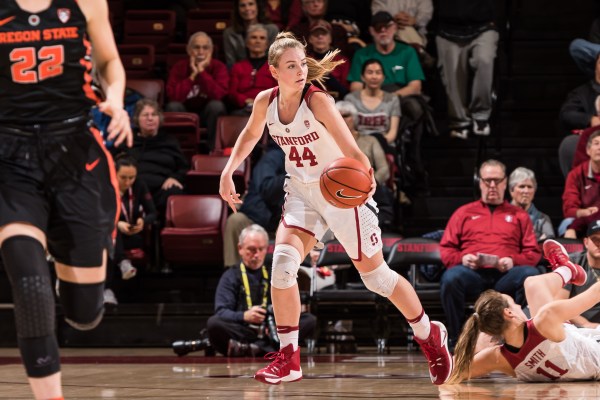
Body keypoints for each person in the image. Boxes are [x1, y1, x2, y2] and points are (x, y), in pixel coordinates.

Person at [219, 31, 452, 385]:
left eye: (302, 64)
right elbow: (250, 135)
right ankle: (289, 358)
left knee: (377, 278)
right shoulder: (265, 102)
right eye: (291, 66)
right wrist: (228, 170)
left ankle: (428, 334)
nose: (299, 71)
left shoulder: (318, 102)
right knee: (282, 267)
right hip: (301, 191)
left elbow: (352, 148)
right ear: (273, 71)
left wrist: (367, 176)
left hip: (340, 194)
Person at [0, 0, 132, 399]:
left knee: (83, 314)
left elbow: (109, 62)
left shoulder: (86, 2)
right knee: (29, 283)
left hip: (75, 151)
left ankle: (66, 264)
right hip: (9, 154)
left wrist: (118, 99)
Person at [447, 239, 600, 383]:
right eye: (515, 304)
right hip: (592, 348)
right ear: (509, 313)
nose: (521, 306)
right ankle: (567, 270)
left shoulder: (497, 358)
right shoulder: (546, 319)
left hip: (569, 351)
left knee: (531, 284)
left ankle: (567, 270)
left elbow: (449, 372)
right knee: (533, 284)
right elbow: (595, 294)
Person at [440, 159, 541, 350]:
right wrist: (462, 258)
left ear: (505, 182)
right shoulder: (463, 213)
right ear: (480, 183)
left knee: (530, 274)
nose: (492, 186)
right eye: (487, 181)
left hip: (505, 276)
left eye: (497, 180)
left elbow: (533, 252)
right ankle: (458, 339)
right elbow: (446, 250)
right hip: (472, 274)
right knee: (451, 278)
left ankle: (518, 337)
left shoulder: (519, 215)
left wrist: (513, 261)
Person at [208, 224, 316, 357]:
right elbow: (221, 311)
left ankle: (251, 349)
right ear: (240, 249)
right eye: (252, 250)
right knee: (214, 323)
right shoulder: (230, 276)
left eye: (261, 249)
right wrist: (244, 316)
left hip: (271, 329)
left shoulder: (274, 272)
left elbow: (288, 306)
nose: (257, 255)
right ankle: (268, 349)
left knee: (309, 320)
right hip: (244, 327)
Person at [435, 0, 498, 139]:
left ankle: (481, 115)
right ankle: (460, 121)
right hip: (448, 28)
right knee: (452, 74)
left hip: (483, 25)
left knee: (484, 60)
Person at [103, 154, 158, 304]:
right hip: (109, 236)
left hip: (133, 235)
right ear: (115, 174)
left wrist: (142, 221)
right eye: (123, 177)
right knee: (111, 234)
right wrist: (117, 224)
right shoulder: (105, 186)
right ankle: (121, 265)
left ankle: (121, 268)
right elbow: (98, 215)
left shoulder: (139, 185)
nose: (128, 182)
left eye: (131, 178)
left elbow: (153, 212)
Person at [223, 144, 286, 268]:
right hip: (258, 217)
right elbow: (267, 189)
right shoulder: (274, 157)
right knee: (235, 221)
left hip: (286, 221)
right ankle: (234, 275)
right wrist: (293, 177)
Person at [123, 99, 188, 218]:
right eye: (145, 115)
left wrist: (174, 178)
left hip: (161, 190)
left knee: (175, 192)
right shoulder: (128, 140)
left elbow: (183, 167)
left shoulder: (169, 141)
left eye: (154, 115)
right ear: (137, 119)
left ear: (159, 118)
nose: (150, 118)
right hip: (134, 189)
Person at [335, 100, 395, 229]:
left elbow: (384, 168)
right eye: (339, 116)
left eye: (346, 115)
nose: (343, 119)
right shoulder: (329, 141)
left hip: (369, 184)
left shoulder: (370, 140)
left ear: (354, 118)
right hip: (338, 186)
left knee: (381, 193)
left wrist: (369, 183)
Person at [165, 31, 228, 151]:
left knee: (216, 106)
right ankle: (177, 149)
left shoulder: (218, 67)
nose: (200, 51)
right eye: (196, 47)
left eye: (205, 48)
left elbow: (218, 95)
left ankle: (213, 149)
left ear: (211, 51)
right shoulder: (179, 67)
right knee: (173, 106)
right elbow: (174, 96)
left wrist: (202, 73)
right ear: (189, 50)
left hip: (208, 113)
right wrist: (192, 76)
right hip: (185, 111)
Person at [344, 59, 400, 154]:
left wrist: (375, 145)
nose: (374, 77)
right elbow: (347, 130)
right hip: (358, 147)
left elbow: (392, 133)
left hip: (384, 145)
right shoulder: (351, 99)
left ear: (383, 77)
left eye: (378, 73)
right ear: (362, 77)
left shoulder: (392, 99)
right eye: (370, 72)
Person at [558, 54, 600, 177]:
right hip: (592, 139)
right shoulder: (582, 92)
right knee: (570, 143)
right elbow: (566, 114)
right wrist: (591, 119)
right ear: (595, 67)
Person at [227, 24, 278, 115]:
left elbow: (279, 91)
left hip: (268, 108)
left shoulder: (274, 67)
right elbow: (232, 93)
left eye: (262, 38)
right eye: (254, 37)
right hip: (243, 109)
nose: (258, 41)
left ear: (266, 45)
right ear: (247, 43)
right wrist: (246, 100)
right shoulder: (237, 67)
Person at [371, 0, 435, 68]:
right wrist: (393, 20)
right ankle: (418, 53)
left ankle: (415, 55)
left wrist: (415, 20)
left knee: (407, 29)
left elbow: (426, 13)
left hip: (415, 31)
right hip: (388, 32)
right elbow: (378, 13)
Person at [560, 130, 600, 236]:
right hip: (583, 220)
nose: (599, 148)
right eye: (596, 143)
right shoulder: (575, 175)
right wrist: (584, 212)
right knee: (566, 223)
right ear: (588, 150)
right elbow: (569, 210)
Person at [223, 0, 280, 68]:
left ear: (257, 6)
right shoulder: (229, 33)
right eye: (242, 5)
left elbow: (274, 60)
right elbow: (231, 64)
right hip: (240, 73)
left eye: (251, 4)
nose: (247, 8)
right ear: (237, 9)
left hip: (266, 72)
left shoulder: (272, 30)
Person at [306, 20, 350, 99]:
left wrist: (327, 75)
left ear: (330, 39)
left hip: (337, 102)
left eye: (324, 34)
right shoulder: (304, 61)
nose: (320, 37)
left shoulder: (341, 61)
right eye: (316, 34)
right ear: (310, 39)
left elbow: (346, 93)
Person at [508, 167, 555, 241]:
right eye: (522, 186)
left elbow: (548, 244)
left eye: (530, 187)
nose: (526, 191)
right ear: (511, 190)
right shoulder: (500, 215)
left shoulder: (543, 219)